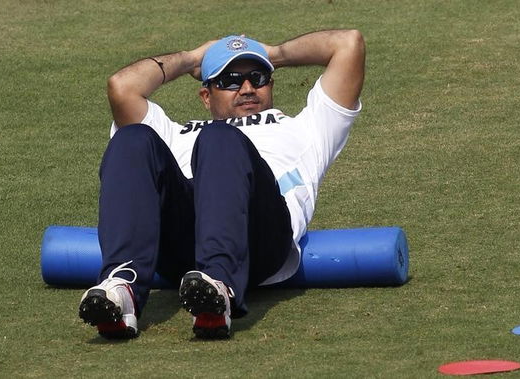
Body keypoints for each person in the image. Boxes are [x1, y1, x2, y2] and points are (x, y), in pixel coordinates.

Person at [78, 30, 365, 339]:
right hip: (184, 245)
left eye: (258, 77)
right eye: (229, 80)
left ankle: (219, 284)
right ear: (206, 95)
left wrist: (274, 54)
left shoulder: (307, 128)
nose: (246, 88)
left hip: (260, 239)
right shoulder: (176, 133)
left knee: (220, 138)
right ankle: (123, 288)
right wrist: (191, 59)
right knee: (132, 138)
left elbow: (348, 44)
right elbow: (122, 86)